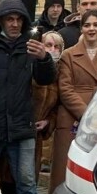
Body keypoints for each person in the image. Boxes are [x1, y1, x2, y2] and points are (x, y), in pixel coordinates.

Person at [0, 0, 54, 194]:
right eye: (9, 19)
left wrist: (45, 59)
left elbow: (46, 80)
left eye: (18, 20)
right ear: (1, 21)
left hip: (21, 124)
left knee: (26, 181)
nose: (14, 24)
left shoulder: (32, 48)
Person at [52, 9, 97, 194]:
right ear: (81, 28)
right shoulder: (68, 55)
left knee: (93, 168)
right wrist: (86, 116)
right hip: (71, 118)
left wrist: (95, 117)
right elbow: (65, 88)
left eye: (95, 24)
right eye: (87, 25)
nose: (91, 29)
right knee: (62, 169)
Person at [33, 30, 64, 175]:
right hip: (21, 129)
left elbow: (58, 106)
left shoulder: (62, 73)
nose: (52, 50)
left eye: (57, 46)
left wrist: (48, 122)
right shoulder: (31, 66)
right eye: (49, 45)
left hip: (40, 134)